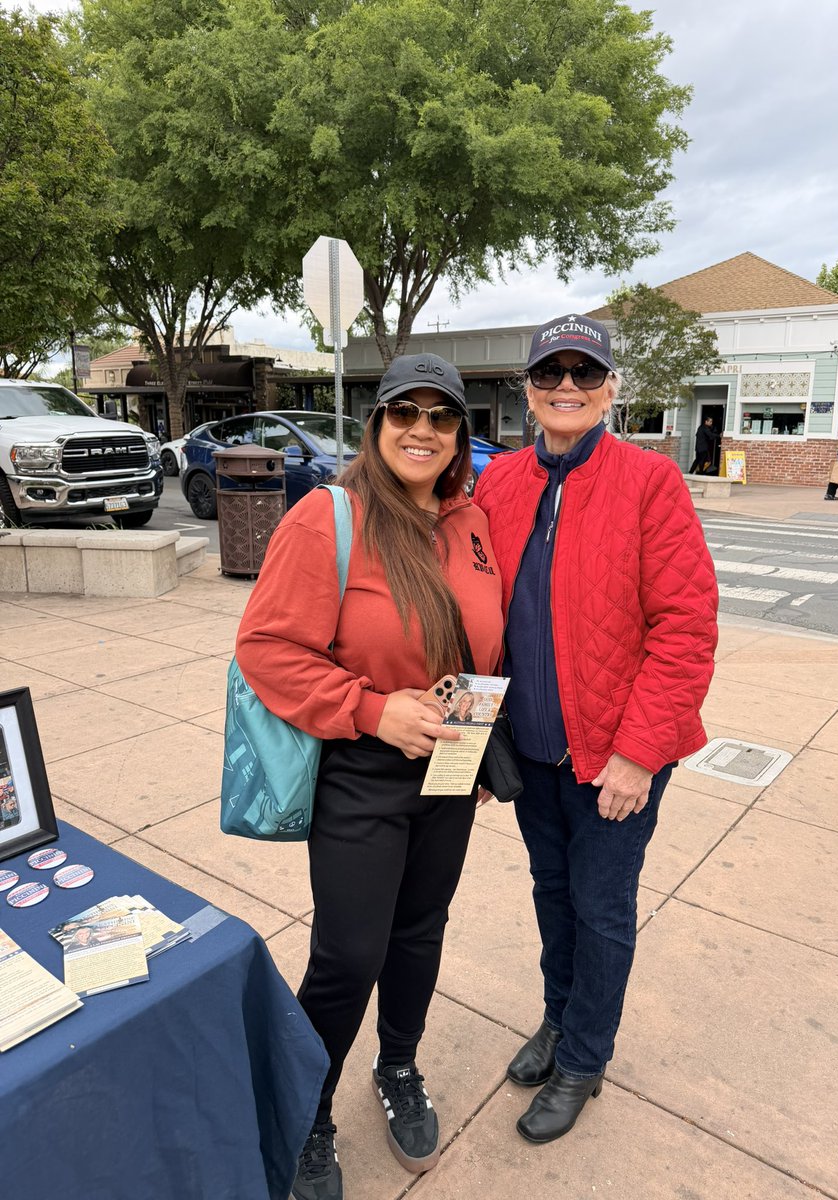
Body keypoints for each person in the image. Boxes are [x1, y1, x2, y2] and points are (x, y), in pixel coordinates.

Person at [235, 353, 503, 1200]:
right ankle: (305, 1111)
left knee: (420, 929)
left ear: (460, 433)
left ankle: (398, 1067)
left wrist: (478, 740)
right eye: (405, 412)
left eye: (441, 415)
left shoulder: (471, 521)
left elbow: (483, 642)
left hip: (450, 763)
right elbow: (266, 648)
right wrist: (370, 708)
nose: (423, 429)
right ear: (377, 423)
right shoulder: (330, 518)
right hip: (361, 768)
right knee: (350, 953)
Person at [474, 313, 718, 1145]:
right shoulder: (500, 484)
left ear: (611, 388)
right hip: (534, 748)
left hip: (615, 757)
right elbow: (475, 615)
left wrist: (639, 755)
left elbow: (686, 629)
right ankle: (558, 1018)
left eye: (585, 372)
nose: (567, 387)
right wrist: (477, 739)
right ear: (529, 390)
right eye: (551, 373)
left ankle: (584, 1057)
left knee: (601, 907)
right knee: (552, 894)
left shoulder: (650, 481)